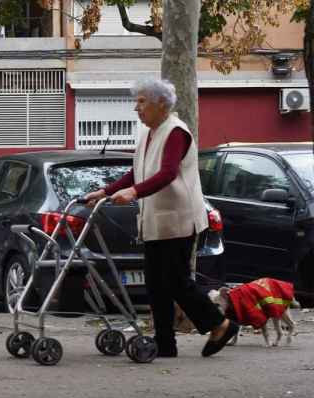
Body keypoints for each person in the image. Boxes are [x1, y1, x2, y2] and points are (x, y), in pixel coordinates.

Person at [83, 78, 238, 358]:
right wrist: (105, 191)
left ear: (161, 104)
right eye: (137, 101)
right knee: (156, 284)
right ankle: (165, 344)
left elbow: (167, 174)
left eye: (142, 101)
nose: (136, 108)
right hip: (157, 220)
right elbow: (136, 172)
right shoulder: (148, 133)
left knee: (176, 281)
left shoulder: (176, 132)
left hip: (179, 219)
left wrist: (133, 193)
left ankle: (220, 324)